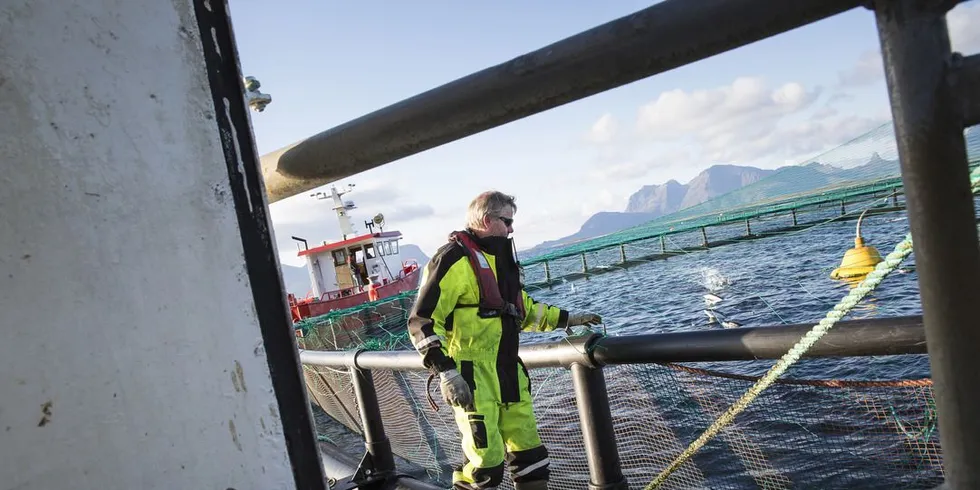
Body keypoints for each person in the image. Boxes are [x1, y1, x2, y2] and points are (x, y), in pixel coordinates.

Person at [408, 191, 602, 490]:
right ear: (487, 220)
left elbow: (522, 310)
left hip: (510, 372)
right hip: (472, 377)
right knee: (485, 466)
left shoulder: (501, 261)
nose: (512, 229)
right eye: (507, 221)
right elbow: (422, 321)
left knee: (532, 459)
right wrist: (446, 371)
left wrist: (569, 318)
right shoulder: (452, 259)